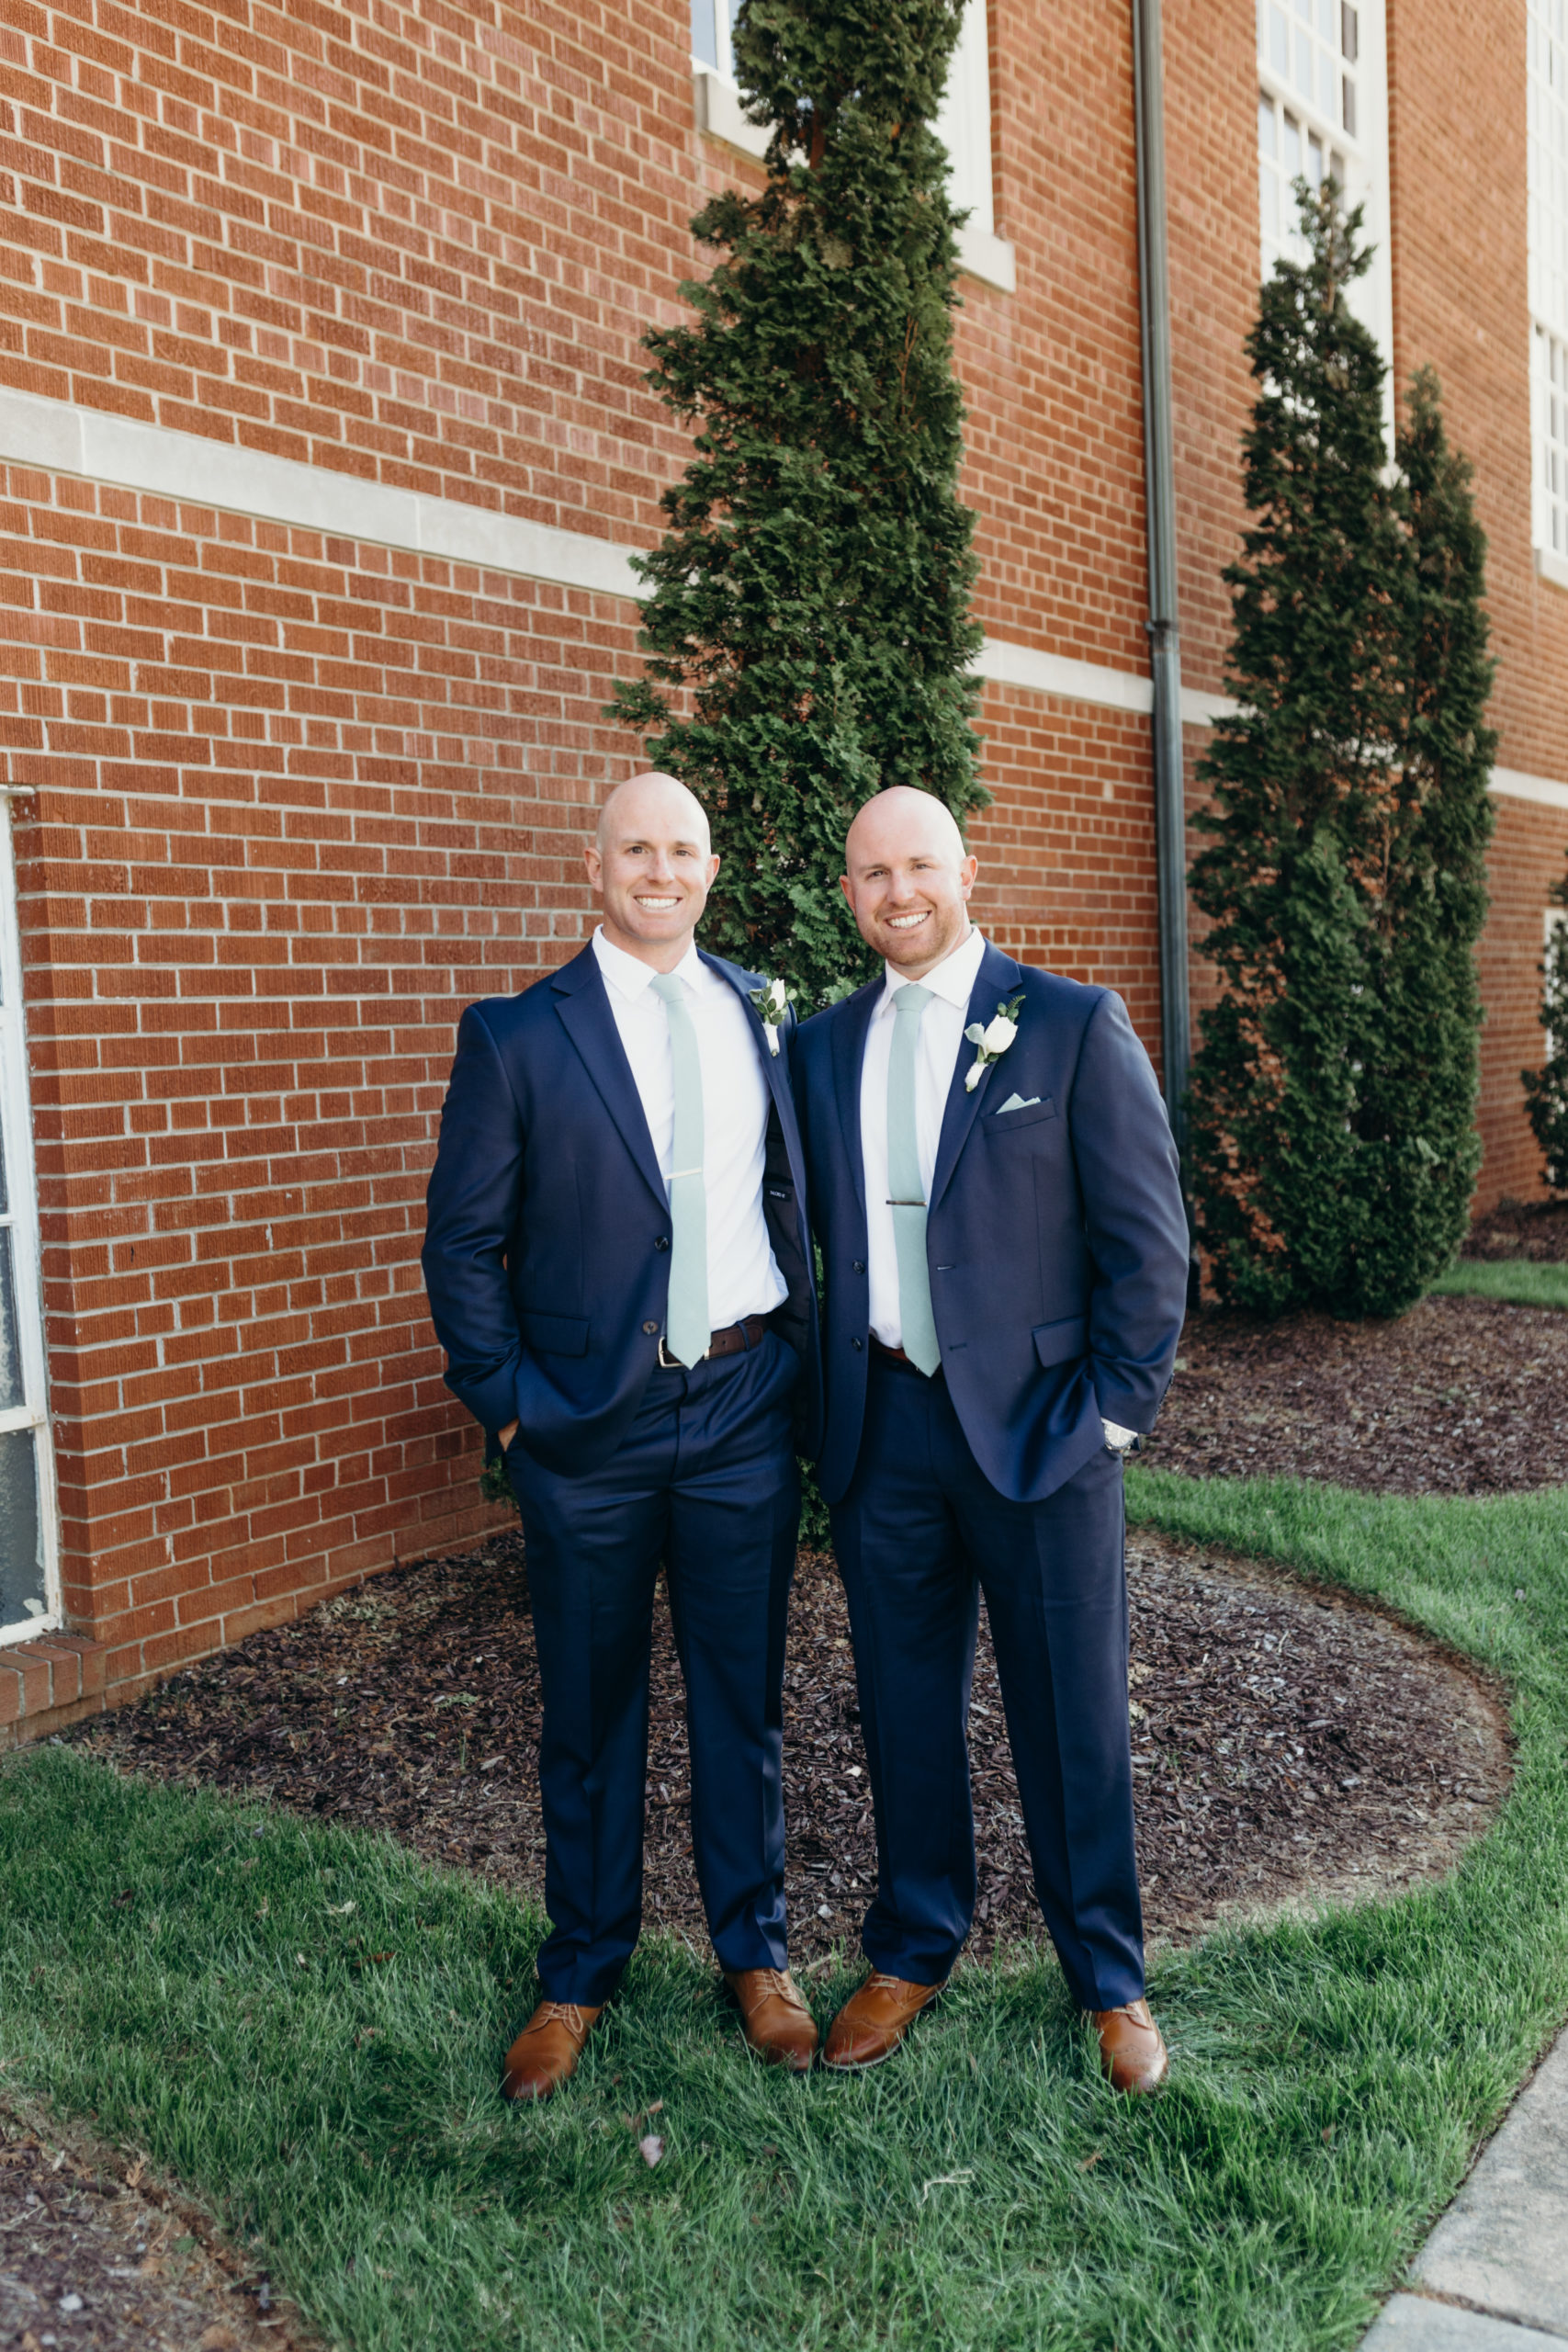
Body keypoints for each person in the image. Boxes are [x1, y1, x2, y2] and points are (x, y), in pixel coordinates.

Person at [422, 771, 820, 2098]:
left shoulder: (761, 1011)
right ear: (593, 868)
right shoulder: (517, 1035)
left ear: (711, 870)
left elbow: (789, 1191)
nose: (661, 871)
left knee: (741, 1702)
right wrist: (512, 1407)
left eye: (683, 849)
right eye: (636, 849)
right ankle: (581, 1970)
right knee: (590, 1713)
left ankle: (755, 1954)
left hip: (743, 1404)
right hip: (585, 1426)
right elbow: (462, 1244)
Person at [792, 785, 1189, 2091]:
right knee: (904, 1706)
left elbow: (1149, 1246)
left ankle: (1108, 1976)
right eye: (873, 874)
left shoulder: (1069, 1023)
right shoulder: (821, 1049)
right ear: (849, 896)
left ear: (967, 871)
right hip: (882, 1426)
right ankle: (914, 1944)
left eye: (920, 865)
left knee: (1071, 1711)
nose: (899, 892)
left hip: (1041, 1432)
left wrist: (1113, 1414)